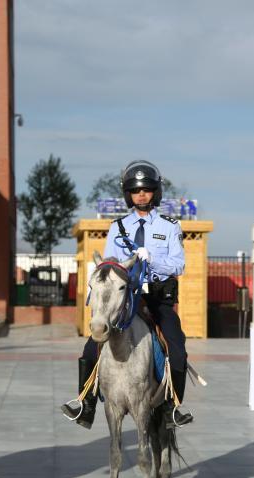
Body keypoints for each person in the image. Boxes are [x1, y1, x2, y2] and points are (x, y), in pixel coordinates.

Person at [66, 160, 193, 430]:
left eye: (147, 189)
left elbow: (178, 265)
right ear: (129, 195)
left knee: (177, 347)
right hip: (126, 299)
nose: (142, 195)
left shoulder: (170, 226)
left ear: (155, 192)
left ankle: (173, 406)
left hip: (158, 298)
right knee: (92, 345)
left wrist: (152, 261)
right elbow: (109, 263)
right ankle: (85, 403)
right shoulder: (117, 227)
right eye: (136, 191)